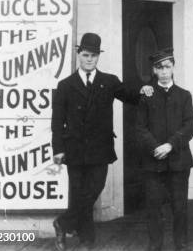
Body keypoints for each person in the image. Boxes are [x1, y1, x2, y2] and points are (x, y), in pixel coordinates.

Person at [51, 33, 153, 251]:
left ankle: (63, 223)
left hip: (100, 148)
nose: (89, 59)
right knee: (80, 193)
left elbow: (131, 97)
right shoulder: (65, 85)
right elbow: (57, 120)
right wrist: (58, 149)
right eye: (86, 55)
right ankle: (87, 240)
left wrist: (143, 90)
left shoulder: (109, 81)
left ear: (98, 57)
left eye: (94, 56)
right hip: (75, 149)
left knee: (93, 189)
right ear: (79, 55)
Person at [136, 48, 193, 251]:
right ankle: (155, 245)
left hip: (179, 160)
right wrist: (155, 147)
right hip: (153, 161)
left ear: (173, 68)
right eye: (159, 67)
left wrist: (170, 145)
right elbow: (140, 127)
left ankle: (181, 243)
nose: (163, 71)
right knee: (153, 207)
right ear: (154, 70)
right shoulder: (146, 95)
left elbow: (189, 126)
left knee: (180, 206)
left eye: (167, 67)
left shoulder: (184, 95)